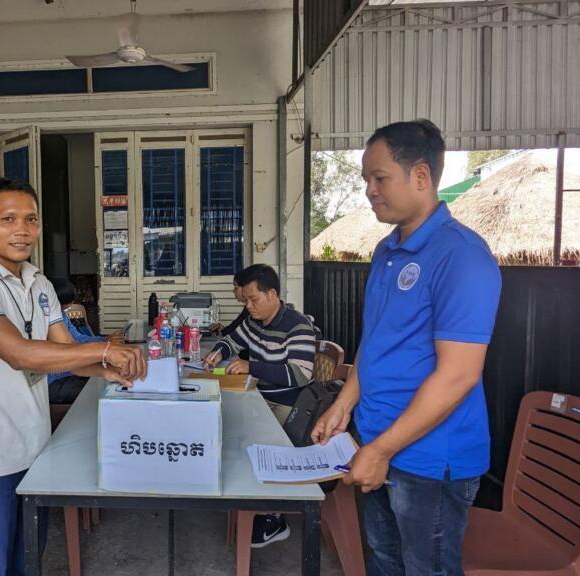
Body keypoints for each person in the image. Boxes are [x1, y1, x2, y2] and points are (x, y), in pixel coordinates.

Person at [311, 119, 501, 576]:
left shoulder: (462, 256)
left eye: (379, 178)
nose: (369, 191)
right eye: (366, 180)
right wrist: (344, 405)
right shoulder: (386, 251)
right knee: (384, 560)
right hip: (377, 442)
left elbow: (458, 375)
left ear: (420, 176)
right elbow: (376, 341)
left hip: (428, 460)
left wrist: (381, 451)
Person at [0, 178, 147, 576]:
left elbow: (64, 352)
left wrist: (108, 372)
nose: (22, 230)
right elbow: (19, 353)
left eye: (31, 219)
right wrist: (104, 349)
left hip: (36, 447)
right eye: (8, 219)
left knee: (27, 557)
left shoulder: (39, 283)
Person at [200, 264, 318, 549]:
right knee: (222, 424)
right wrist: (218, 353)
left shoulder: (298, 326)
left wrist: (252, 366)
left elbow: (300, 374)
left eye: (253, 299)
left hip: (287, 406)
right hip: (258, 397)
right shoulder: (255, 322)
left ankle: (273, 518)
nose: (248, 306)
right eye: (246, 300)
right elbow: (231, 340)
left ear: (272, 294)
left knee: (251, 439)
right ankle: (240, 497)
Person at [46, 277, 124, 404]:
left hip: (72, 372)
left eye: (70, 303)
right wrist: (104, 348)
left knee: (107, 383)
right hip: (55, 382)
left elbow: (79, 338)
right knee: (96, 391)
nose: (69, 306)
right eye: (65, 304)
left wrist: (105, 340)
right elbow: (70, 348)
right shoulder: (45, 321)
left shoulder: (62, 316)